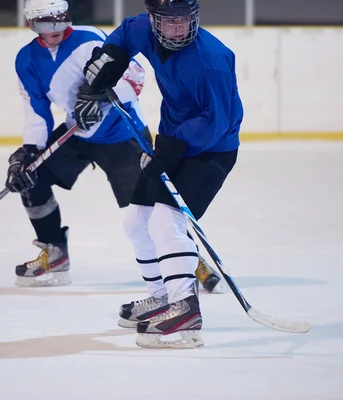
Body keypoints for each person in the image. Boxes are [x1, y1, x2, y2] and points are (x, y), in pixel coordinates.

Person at [5, 0, 223, 294]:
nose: (53, 30)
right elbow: (36, 107)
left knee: (151, 206)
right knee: (32, 178)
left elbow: (134, 75)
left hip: (122, 134)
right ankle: (54, 250)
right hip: (77, 133)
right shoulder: (26, 59)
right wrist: (30, 150)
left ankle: (189, 260)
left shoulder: (89, 39)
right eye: (44, 23)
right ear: (31, 24)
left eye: (58, 20)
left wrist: (102, 97)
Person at [83, 0, 243, 348]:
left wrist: (174, 145)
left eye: (184, 21)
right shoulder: (146, 30)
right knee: (136, 221)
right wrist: (110, 56)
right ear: (155, 21)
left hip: (211, 150)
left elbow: (217, 120)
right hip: (173, 141)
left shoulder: (210, 61)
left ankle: (185, 311)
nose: (177, 30)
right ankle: (162, 297)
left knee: (164, 222)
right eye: (168, 23)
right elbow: (125, 33)